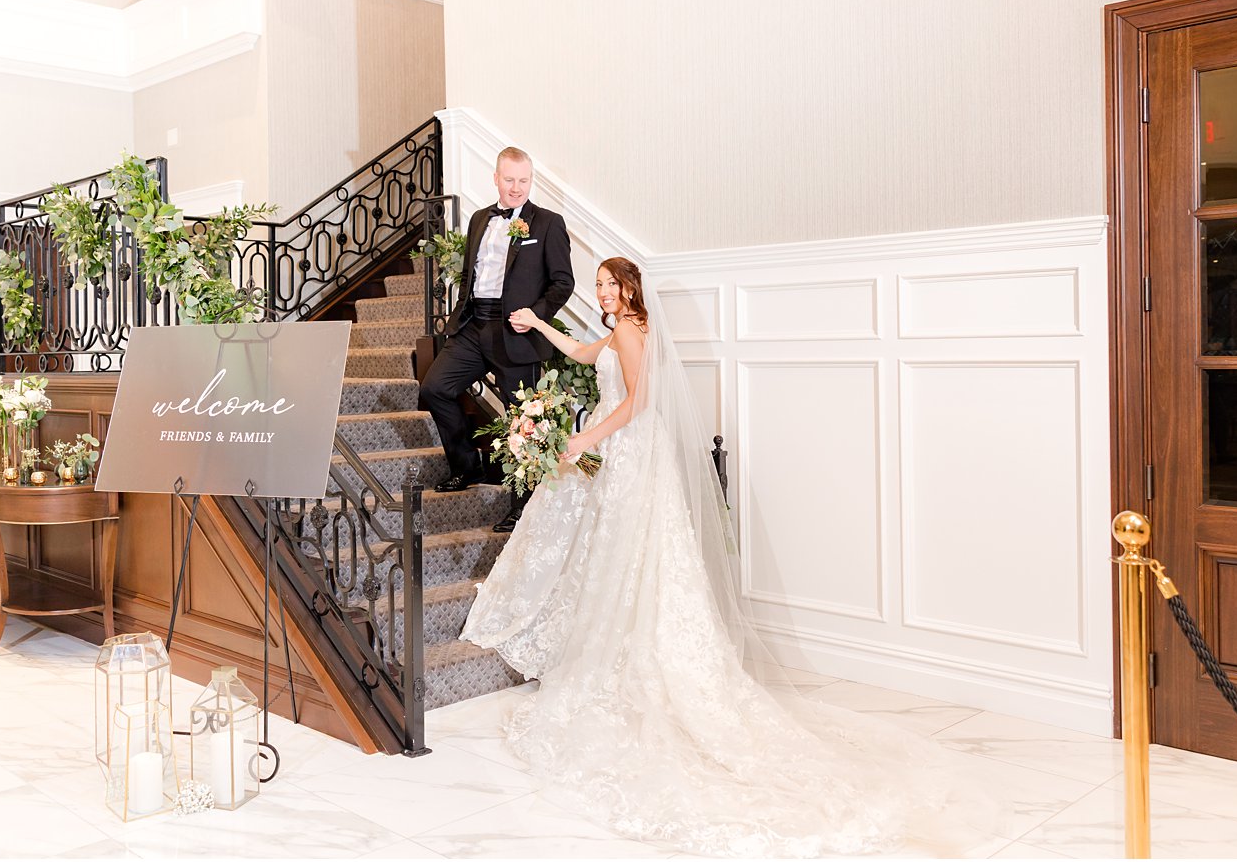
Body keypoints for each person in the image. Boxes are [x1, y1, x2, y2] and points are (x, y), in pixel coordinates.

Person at [461, 257, 996, 858]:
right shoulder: (618, 330)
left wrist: (586, 437)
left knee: (637, 553)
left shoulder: (634, 332)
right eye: (600, 285)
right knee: (623, 555)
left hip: (633, 450)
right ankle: (620, 640)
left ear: (629, 288)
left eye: (610, 284)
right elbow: (588, 355)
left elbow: (635, 404)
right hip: (629, 454)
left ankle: (639, 652)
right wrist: (542, 326)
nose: (602, 291)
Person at [419, 146, 574, 531]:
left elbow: (562, 282)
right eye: (510, 180)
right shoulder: (478, 219)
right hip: (474, 327)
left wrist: (536, 315)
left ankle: (523, 504)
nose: (517, 187)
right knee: (435, 387)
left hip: (516, 332)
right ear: (496, 178)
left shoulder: (548, 223)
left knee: (524, 419)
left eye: (524, 180)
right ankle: (467, 466)